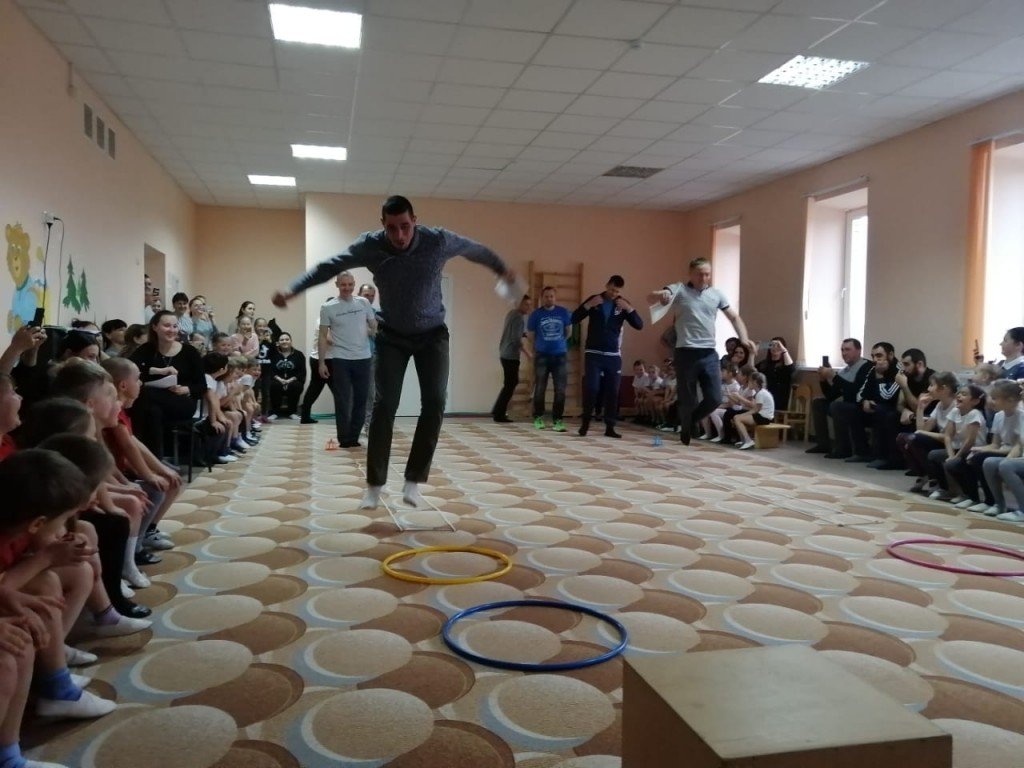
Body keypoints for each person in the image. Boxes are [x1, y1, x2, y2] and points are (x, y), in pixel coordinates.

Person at [272, 195, 515, 509]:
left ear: (415, 221)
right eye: (391, 228)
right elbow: (330, 266)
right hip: (392, 337)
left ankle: (413, 481)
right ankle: (375, 485)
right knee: (384, 405)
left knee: (435, 402)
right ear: (382, 225)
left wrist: (502, 269)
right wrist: (293, 289)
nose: (399, 235)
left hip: (432, 336)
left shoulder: (438, 241)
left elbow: (475, 250)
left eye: (405, 226)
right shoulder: (370, 245)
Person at [648, 258, 750, 445]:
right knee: (687, 399)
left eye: (707, 274)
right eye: (699, 274)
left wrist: (744, 339)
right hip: (685, 352)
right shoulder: (679, 290)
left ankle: (688, 422)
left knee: (715, 398)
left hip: (709, 353)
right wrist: (660, 294)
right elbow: (651, 298)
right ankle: (686, 424)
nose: (704, 278)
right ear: (691, 274)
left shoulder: (716, 294)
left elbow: (734, 317)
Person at [573, 275, 643, 439]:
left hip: (613, 355)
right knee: (592, 388)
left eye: (617, 291)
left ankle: (610, 427)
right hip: (593, 353)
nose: (614, 293)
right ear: (606, 286)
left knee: (613, 391)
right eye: (612, 290)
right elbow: (574, 318)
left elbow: (639, 325)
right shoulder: (595, 300)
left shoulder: (622, 304)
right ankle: (585, 423)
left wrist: (629, 309)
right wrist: (588, 305)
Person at [316, 272, 376, 443]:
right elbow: (322, 336)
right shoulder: (328, 307)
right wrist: (321, 363)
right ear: (337, 285)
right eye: (343, 285)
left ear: (354, 284)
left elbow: (373, 326)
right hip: (341, 358)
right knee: (343, 399)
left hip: (363, 358)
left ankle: (354, 437)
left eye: (350, 284)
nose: (347, 288)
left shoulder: (363, 303)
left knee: (361, 399)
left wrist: (373, 331)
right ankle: (344, 438)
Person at [806, 338, 871, 457]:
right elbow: (831, 396)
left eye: (848, 349)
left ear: (858, 351)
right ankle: (823, 444)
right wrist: (823, 380)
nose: (844, 353)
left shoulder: (867, 366)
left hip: (861, 406)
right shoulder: (844, 371)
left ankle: (843, 449)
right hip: (847, 405)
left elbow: (856, 392)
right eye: (842, 350)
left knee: (837, 406)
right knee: (818, 403)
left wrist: (834, 377)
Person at [528, 286, 572, 432]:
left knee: (560, 389)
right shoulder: (536, 314)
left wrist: (559, 343)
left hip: (560, 356)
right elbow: (531, 334)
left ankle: (558, 420)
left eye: (551, 296)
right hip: (542, 355)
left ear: (555, 297)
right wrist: (540, 345)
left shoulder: (563, 312)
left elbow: (568, 331)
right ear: (542, 298)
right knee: (540, 388)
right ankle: (538, 417)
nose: (549, 299)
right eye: (546, 296)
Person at [491, 294, 532, 424]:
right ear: (519, 304)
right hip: (511, 355)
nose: (528, 307)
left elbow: (512, 331)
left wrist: (524, 334)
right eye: (526, 304)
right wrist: (527, 353)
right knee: (511, 384)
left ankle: (497, 410)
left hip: (504, 352)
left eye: (529, 304)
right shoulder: (519, 317)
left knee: (510, 383)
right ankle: (499, 413)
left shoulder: (512, 314)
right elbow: (515, 339)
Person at [269, 333, 306, 421]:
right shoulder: (273, 354)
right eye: (282, 340)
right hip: (277, 380)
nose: (284, 341)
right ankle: (275, 412)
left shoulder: (299, 354)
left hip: (293, 380)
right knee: (274, 385)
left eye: (287, 339)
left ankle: (292, 412)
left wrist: (289, 380)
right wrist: (280, 379)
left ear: (291, 341)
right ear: (278, 342)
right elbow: (270, 370)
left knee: (296, 386)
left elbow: (302, 372)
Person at [755, 337, 795, 411]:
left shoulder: (785, 363)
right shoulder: (764, 364)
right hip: (763, 396)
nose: (775, 347)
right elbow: (752, 372)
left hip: (779, 398)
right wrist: (752, 353)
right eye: (772, 345)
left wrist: (784, 350)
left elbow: (791, 368)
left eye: (778, 345)